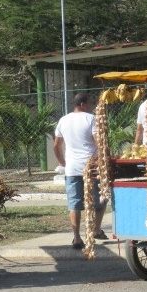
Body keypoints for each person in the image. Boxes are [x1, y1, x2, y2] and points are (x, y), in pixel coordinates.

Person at [54, 93, 108, 249]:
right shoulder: (91, 119)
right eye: (90, 103)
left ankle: (77, 237)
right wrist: (103, 159)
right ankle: (95, 230)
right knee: (100, 200)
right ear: (83, 104)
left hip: (72, 169)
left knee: (74, 204)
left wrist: (62, 162)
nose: (91, 106)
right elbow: (99, 142)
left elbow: (56, 145)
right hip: (91, 168)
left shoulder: (63, 120)